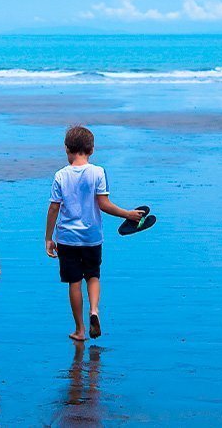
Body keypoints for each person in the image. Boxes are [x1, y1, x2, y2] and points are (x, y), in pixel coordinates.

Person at [45, 125, 143, 341]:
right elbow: (104, 204)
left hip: (67, 238)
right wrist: (127, 214)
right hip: (92, 237)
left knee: (74, 282)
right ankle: (94, 310)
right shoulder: (98, 172)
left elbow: (53, 208)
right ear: (91, 150)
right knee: (93, 275)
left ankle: (80, 330)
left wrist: (48, 238)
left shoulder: (60, 175)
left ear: (67, 149)